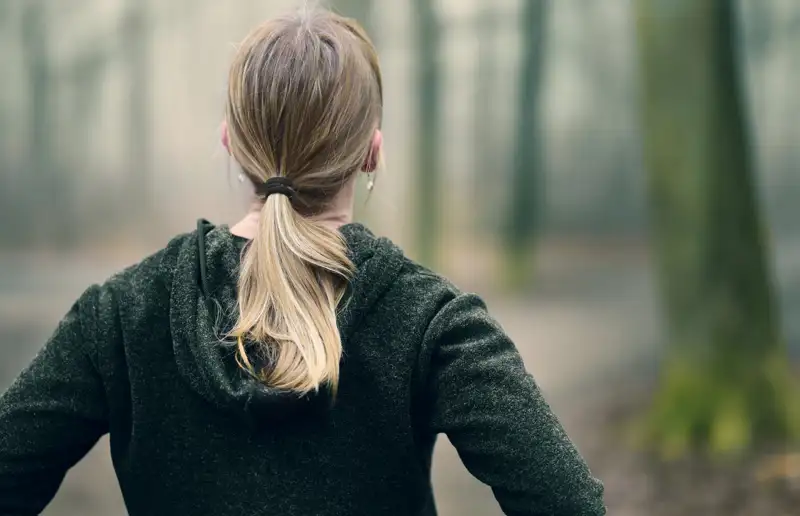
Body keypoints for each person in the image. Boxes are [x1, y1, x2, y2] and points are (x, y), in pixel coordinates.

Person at [0, 8, 605, 516]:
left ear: (231, 142)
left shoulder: (121, 314)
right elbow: (569, 504)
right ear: (372, 151)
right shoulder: (434, 323)